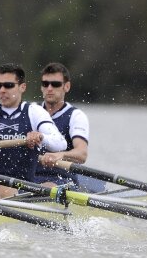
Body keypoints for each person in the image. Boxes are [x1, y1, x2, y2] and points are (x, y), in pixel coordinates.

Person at [0, 63, 67, 198]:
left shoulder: (34, 112)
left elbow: (61, 143)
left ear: (22, 87)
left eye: (8, 85)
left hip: (21, 184)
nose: (2, 90)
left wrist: (41, 137)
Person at [34, 62, 104, 191]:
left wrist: (60, 155)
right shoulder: (31, 110)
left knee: (46, 188)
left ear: (66, 86)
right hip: (27, 177)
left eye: (55, 84)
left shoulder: (75, 116)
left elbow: (82, 154)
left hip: (61, 179)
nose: (49, 88)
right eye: (45, 84)